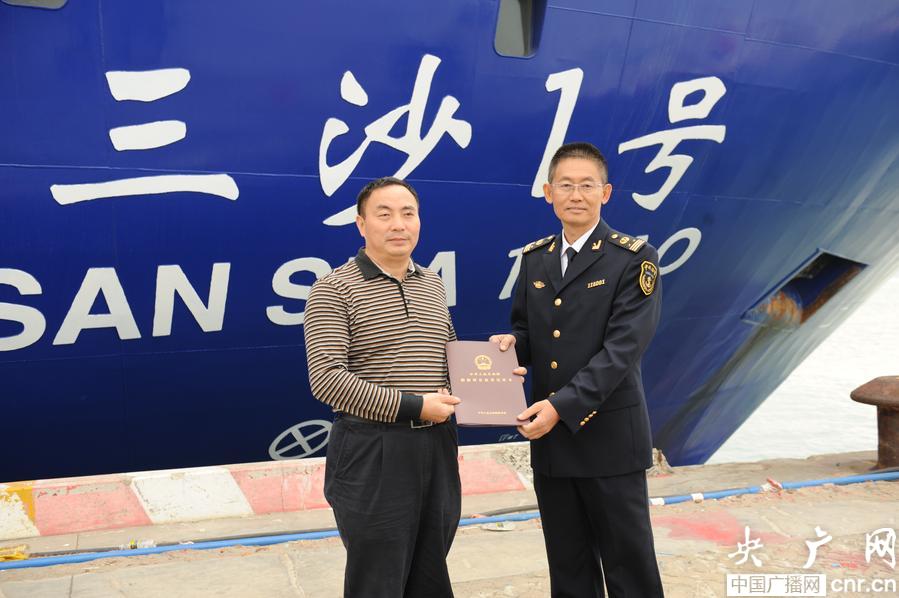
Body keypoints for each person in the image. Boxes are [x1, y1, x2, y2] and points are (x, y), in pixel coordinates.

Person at [490, 142, 665, 597]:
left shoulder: (634, 258)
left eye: (587, 185)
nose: (576, 195)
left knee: (629, 570)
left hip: (609, 439)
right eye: (565, 185)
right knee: (568, 569)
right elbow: (530, 333)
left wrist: (559, 407)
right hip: (553, 444)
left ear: (605, 193)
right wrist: (510, 348)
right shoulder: (536, 258)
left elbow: (621, 351)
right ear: (548, 192)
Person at [303, 176, 462, 598]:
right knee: (378, 580)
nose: (398, 224)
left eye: (408, 213)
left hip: (437, 447)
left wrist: (494, 374)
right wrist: (415, 406)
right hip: (373, 451)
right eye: (384, 214)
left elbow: (449, 357)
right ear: (361, 224)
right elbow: (327, 380)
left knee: (431, 575)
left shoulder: (432, 283)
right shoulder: (333, 289)